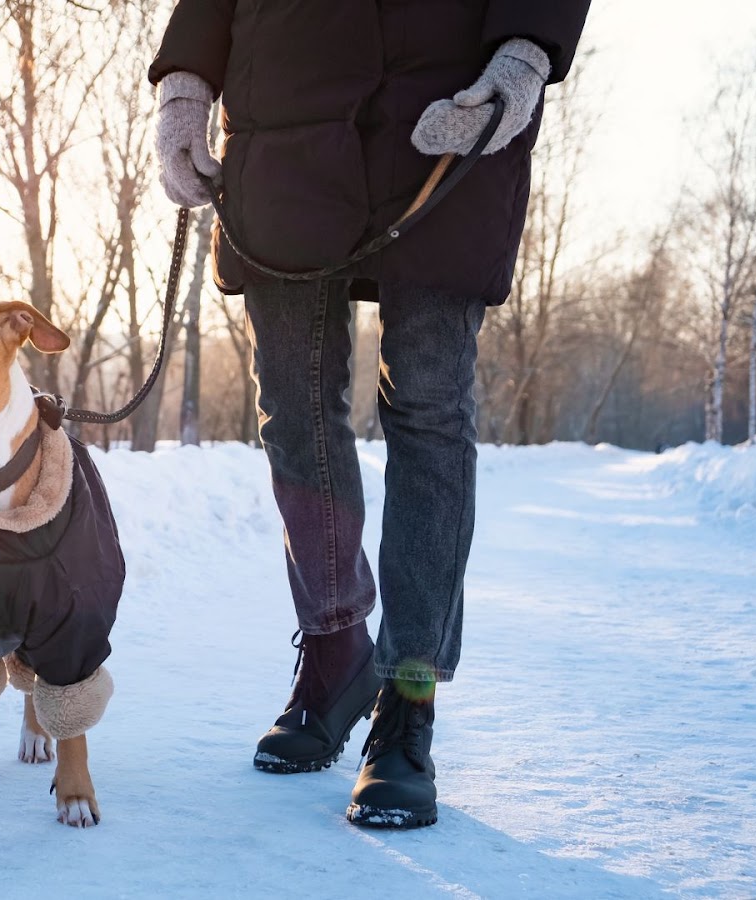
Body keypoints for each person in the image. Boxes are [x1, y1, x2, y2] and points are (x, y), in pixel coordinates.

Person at [148, 1, 591, 828]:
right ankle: (335, 645)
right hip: (283, 114)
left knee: (425, 407)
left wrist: (525, 54)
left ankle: (408, 693)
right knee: (291, 406)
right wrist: (184, 85)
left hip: (446, 109)